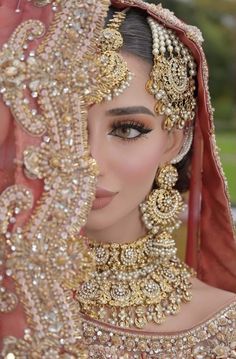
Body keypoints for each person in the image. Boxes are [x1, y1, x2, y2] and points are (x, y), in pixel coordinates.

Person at [0, 0, 235, 358]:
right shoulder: (13, 308)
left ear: (174, 141)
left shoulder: (226, 325)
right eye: (66, 128)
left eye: (127, 129)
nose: (89, 162)